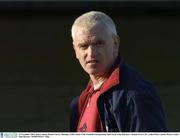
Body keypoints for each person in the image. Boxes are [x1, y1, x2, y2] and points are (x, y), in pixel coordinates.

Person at [70, 11, 167, 132]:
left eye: (98, 43)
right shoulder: (79, 103)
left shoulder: (135, 94)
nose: (91, 53)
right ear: (75, 50)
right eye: (84, 46)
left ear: (115, 44)